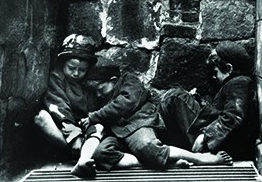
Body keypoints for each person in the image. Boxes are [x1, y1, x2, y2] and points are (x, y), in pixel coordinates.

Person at [71, 59, 233, 178]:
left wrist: (94, 116)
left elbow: (125, 103)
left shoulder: (129, 81)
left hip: (137, 122)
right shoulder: (97, 96)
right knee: (101, 155)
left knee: (147, 147)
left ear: (113, 81)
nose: (98, 94)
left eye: (101, 89)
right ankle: (163, 163)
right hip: (116, 132)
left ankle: (202, 158)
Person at [158, 41, 257, 161]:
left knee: (175, 97)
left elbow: (234, 117)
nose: (214, 77)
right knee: (177, 97)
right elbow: (221, 111)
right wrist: (199, 101)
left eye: (216, 72)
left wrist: (205, 136)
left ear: (229, 68)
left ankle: (156, 146)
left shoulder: (239, 82)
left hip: (218, 144)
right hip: (220, 141)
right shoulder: (237, 84)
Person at [34, 34, 99, 157]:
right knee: (41, 117)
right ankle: (78, 151)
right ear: (63, 63)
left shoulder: (89, 82)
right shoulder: (57, 77)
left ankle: (86, 151)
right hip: (64, 125)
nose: (76, 73)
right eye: (71, 68)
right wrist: (72, 132)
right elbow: (58, 103)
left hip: (85, 127)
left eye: (82, 70)